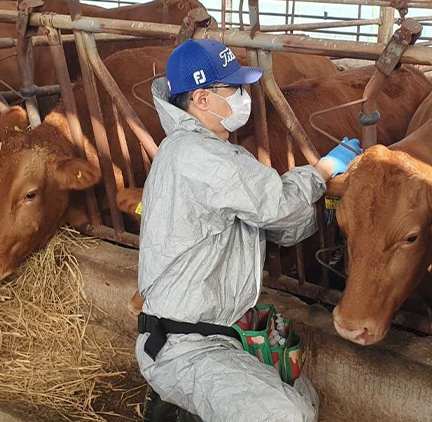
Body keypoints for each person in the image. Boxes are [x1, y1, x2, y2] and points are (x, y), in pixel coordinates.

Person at [135, 39, 359, 422]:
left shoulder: (195, 150)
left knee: (303, 396)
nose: (244, 96)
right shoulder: (200, 156)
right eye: (234, 88)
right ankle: (175, 402)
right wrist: (322, 172)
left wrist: (326, 215)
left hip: (214, 332)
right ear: (203, 99)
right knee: (287, 416)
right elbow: (278, 204)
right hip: (186, 345)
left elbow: (279, 227)